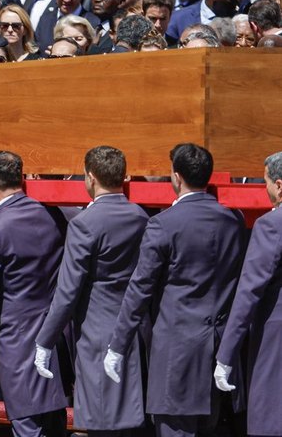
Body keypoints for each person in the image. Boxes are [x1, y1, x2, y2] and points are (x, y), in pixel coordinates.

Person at [105, 143, 246, 437]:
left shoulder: (163, 225)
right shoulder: (234, 222)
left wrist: (117, 346)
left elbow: (139, 291)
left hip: (177, 357)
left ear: (177, 177)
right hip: (220, 351)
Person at [35, 146, 150, 436]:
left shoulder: (84, 224)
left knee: (101, 423)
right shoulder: (140, 216)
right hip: (136, 329)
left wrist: (45, 340)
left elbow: (67, 292)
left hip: (98, 333)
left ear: (90, 177)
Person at [0, 150, 67, 437]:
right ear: (21, 178)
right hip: (54, 334)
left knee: (26, 425)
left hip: (16, 340)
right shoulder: (51, 216)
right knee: (53, 422)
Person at [214, 151, 282, 437]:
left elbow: (248, 292)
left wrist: (225, 355)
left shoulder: (271, 225)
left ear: (279, 185)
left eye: (266, 182)